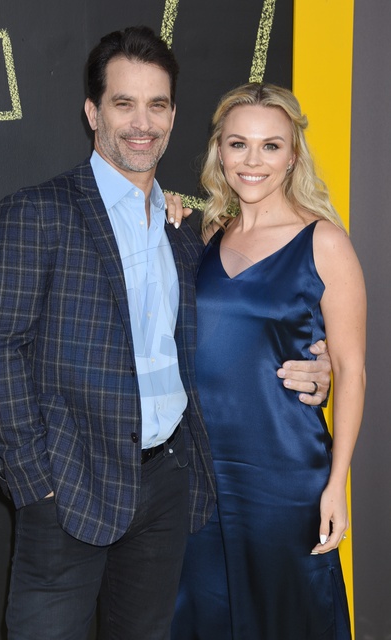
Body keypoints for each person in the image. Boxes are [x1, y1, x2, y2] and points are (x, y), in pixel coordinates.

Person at [0, 26, 331, 640]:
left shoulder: (185, 232)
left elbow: (232, 332)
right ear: (93, 113)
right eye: (124, 103)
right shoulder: (38, 212)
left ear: (173, 116)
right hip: (69, 488)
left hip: (167, 488)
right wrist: (35, 483)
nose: (142, 123)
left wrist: (317, 365)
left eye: (156, 105)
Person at [172, 83, 366, 639]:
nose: (252, 161)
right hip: (201, 474)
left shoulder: (324, 242)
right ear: (220, 151)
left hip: (285, 471)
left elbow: (351, 370)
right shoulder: (206, 236)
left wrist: (337, 484)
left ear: (293, 155)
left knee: (290, 616)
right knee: (203, 615)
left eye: (271, 146)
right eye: (239, 144)